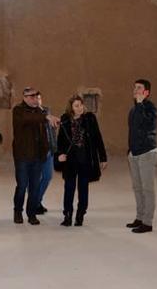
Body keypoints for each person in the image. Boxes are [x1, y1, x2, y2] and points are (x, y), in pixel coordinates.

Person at [56, 95, 107, 227]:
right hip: (70, 160)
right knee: (69, 188)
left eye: (81, 105)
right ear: (71, 108)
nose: (79, 108)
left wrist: (103, 157)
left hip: (85, 158)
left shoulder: (90, 118)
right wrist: (60, 154)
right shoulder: (65, 119)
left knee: (83, 188)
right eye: (76, 106)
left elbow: (97, 138)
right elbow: (60, 140)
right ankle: (67, 215)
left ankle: (80, 215)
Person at [12, 87, 56, 225]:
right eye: (31, 96)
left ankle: (31, 214)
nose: (34, 98)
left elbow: (45, 135)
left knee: (34, 187)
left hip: (37, 157)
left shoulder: (40, 112)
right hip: (23, 157)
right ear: (24, 97)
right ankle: (18, 211)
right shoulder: (18, 110)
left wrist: (46, 152)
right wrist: (45, 116)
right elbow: (28, 119)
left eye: (36, 96)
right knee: (22, 186)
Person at [127, 78, 157, 233]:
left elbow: (145, 123)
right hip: (134, 154)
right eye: (134, 87)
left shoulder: (150, 108)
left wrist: (140, 104)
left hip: (147, 153)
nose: (135, 90)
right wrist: (130, 151)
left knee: (147, 189)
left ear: (146, 92)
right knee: (137, 188)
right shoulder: (133, 109)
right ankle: (139, 217)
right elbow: (132, 131)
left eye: (139, 88)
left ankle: (147, 222)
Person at [35, 92, 59, 214]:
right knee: (34, 179)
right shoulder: (29, 113)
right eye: (35, 98)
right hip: (35, 152)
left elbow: (52, 131)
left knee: (47, 176)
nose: (37, 100)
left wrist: (55, 147)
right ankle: (36, 203)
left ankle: (36, 201)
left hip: (49, 150)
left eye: (39, 98)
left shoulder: (47, 111)